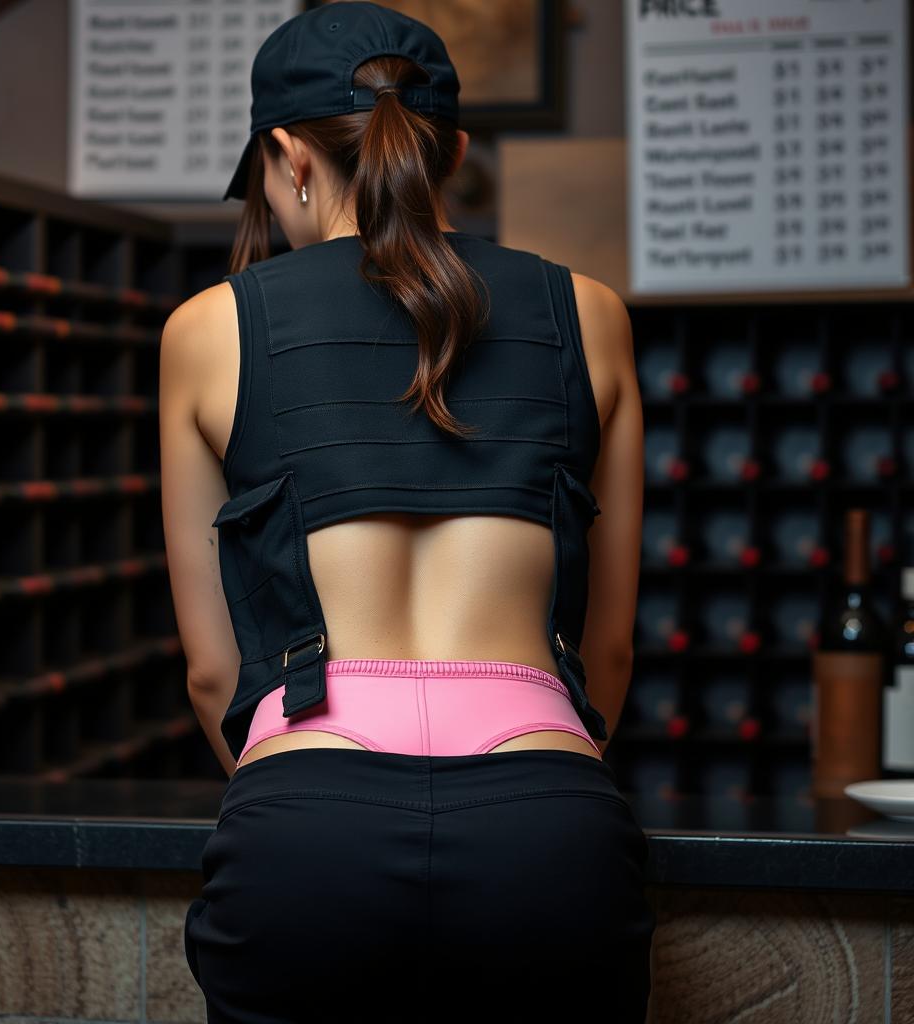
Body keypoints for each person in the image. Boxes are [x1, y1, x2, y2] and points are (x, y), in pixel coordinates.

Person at [161, 3, 654, 1021]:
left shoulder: (210, 329)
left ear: (288, 154)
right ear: (455, 150)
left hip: (305, 832)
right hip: (544, 826)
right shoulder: (589, 314)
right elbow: (604, 652)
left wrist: (297, 796)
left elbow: (214, 670)